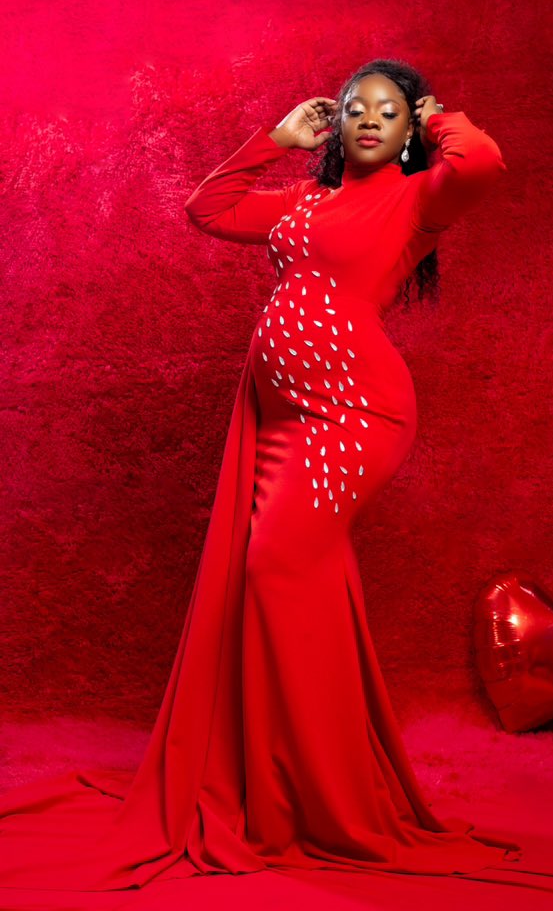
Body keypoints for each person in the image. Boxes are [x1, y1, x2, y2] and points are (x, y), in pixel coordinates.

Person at [0, 58, 518, 890]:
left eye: (389, 111)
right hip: (279, 426)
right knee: (294, 584)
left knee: (277, 567)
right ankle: (288, 784)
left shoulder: (418, 200)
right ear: (336, 124)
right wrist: (271, 140)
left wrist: (439, 118)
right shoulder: (303, 203)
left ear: (408, 130)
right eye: (356, 107)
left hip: (354, 416)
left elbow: (484, 162)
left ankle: (323, 800)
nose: (370, 119)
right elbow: (207, 208)